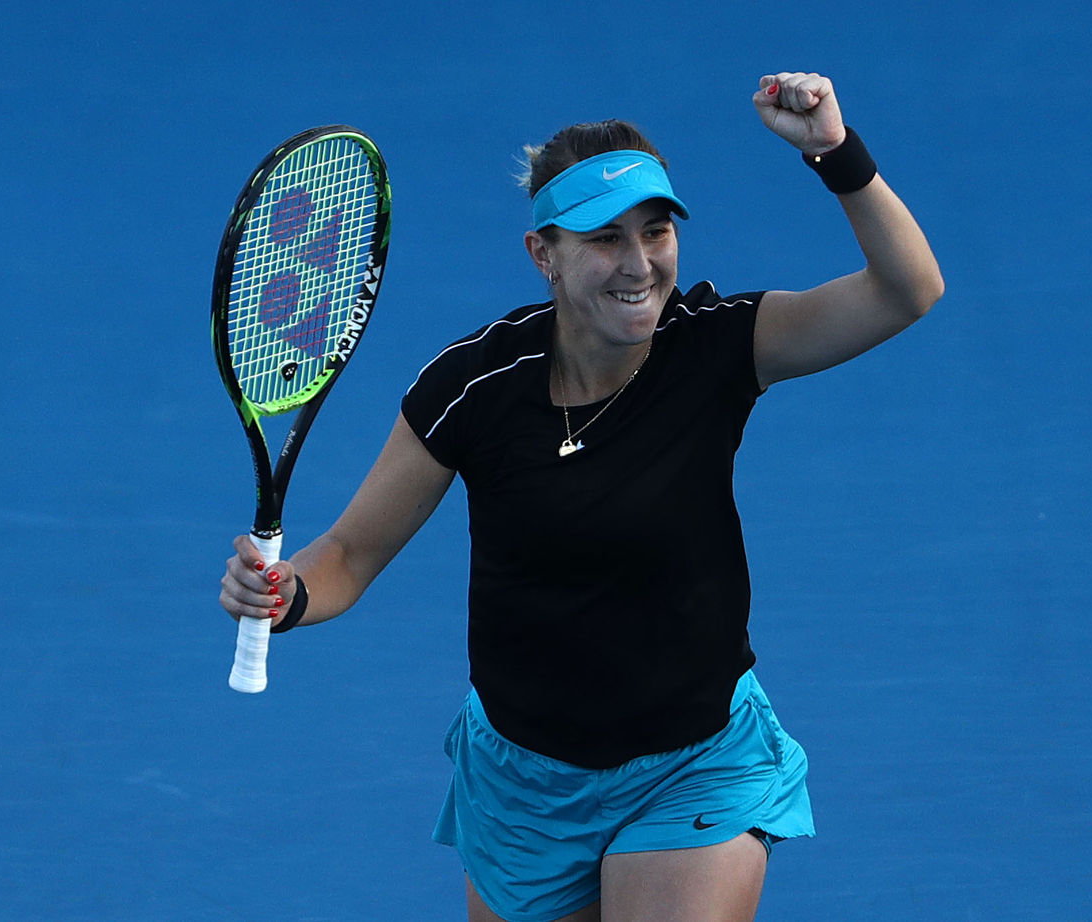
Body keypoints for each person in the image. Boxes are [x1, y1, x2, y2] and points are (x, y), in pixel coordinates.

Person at [220, 70, 943, 922]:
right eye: (604, 238)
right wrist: (288, 594)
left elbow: (908, 290)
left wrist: (834, 152)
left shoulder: (717, 350)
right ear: (545, 257)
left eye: (656, 229)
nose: (639, 264)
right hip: (526, 781)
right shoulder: (474, 389)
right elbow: (349, 553)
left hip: (694, 759)